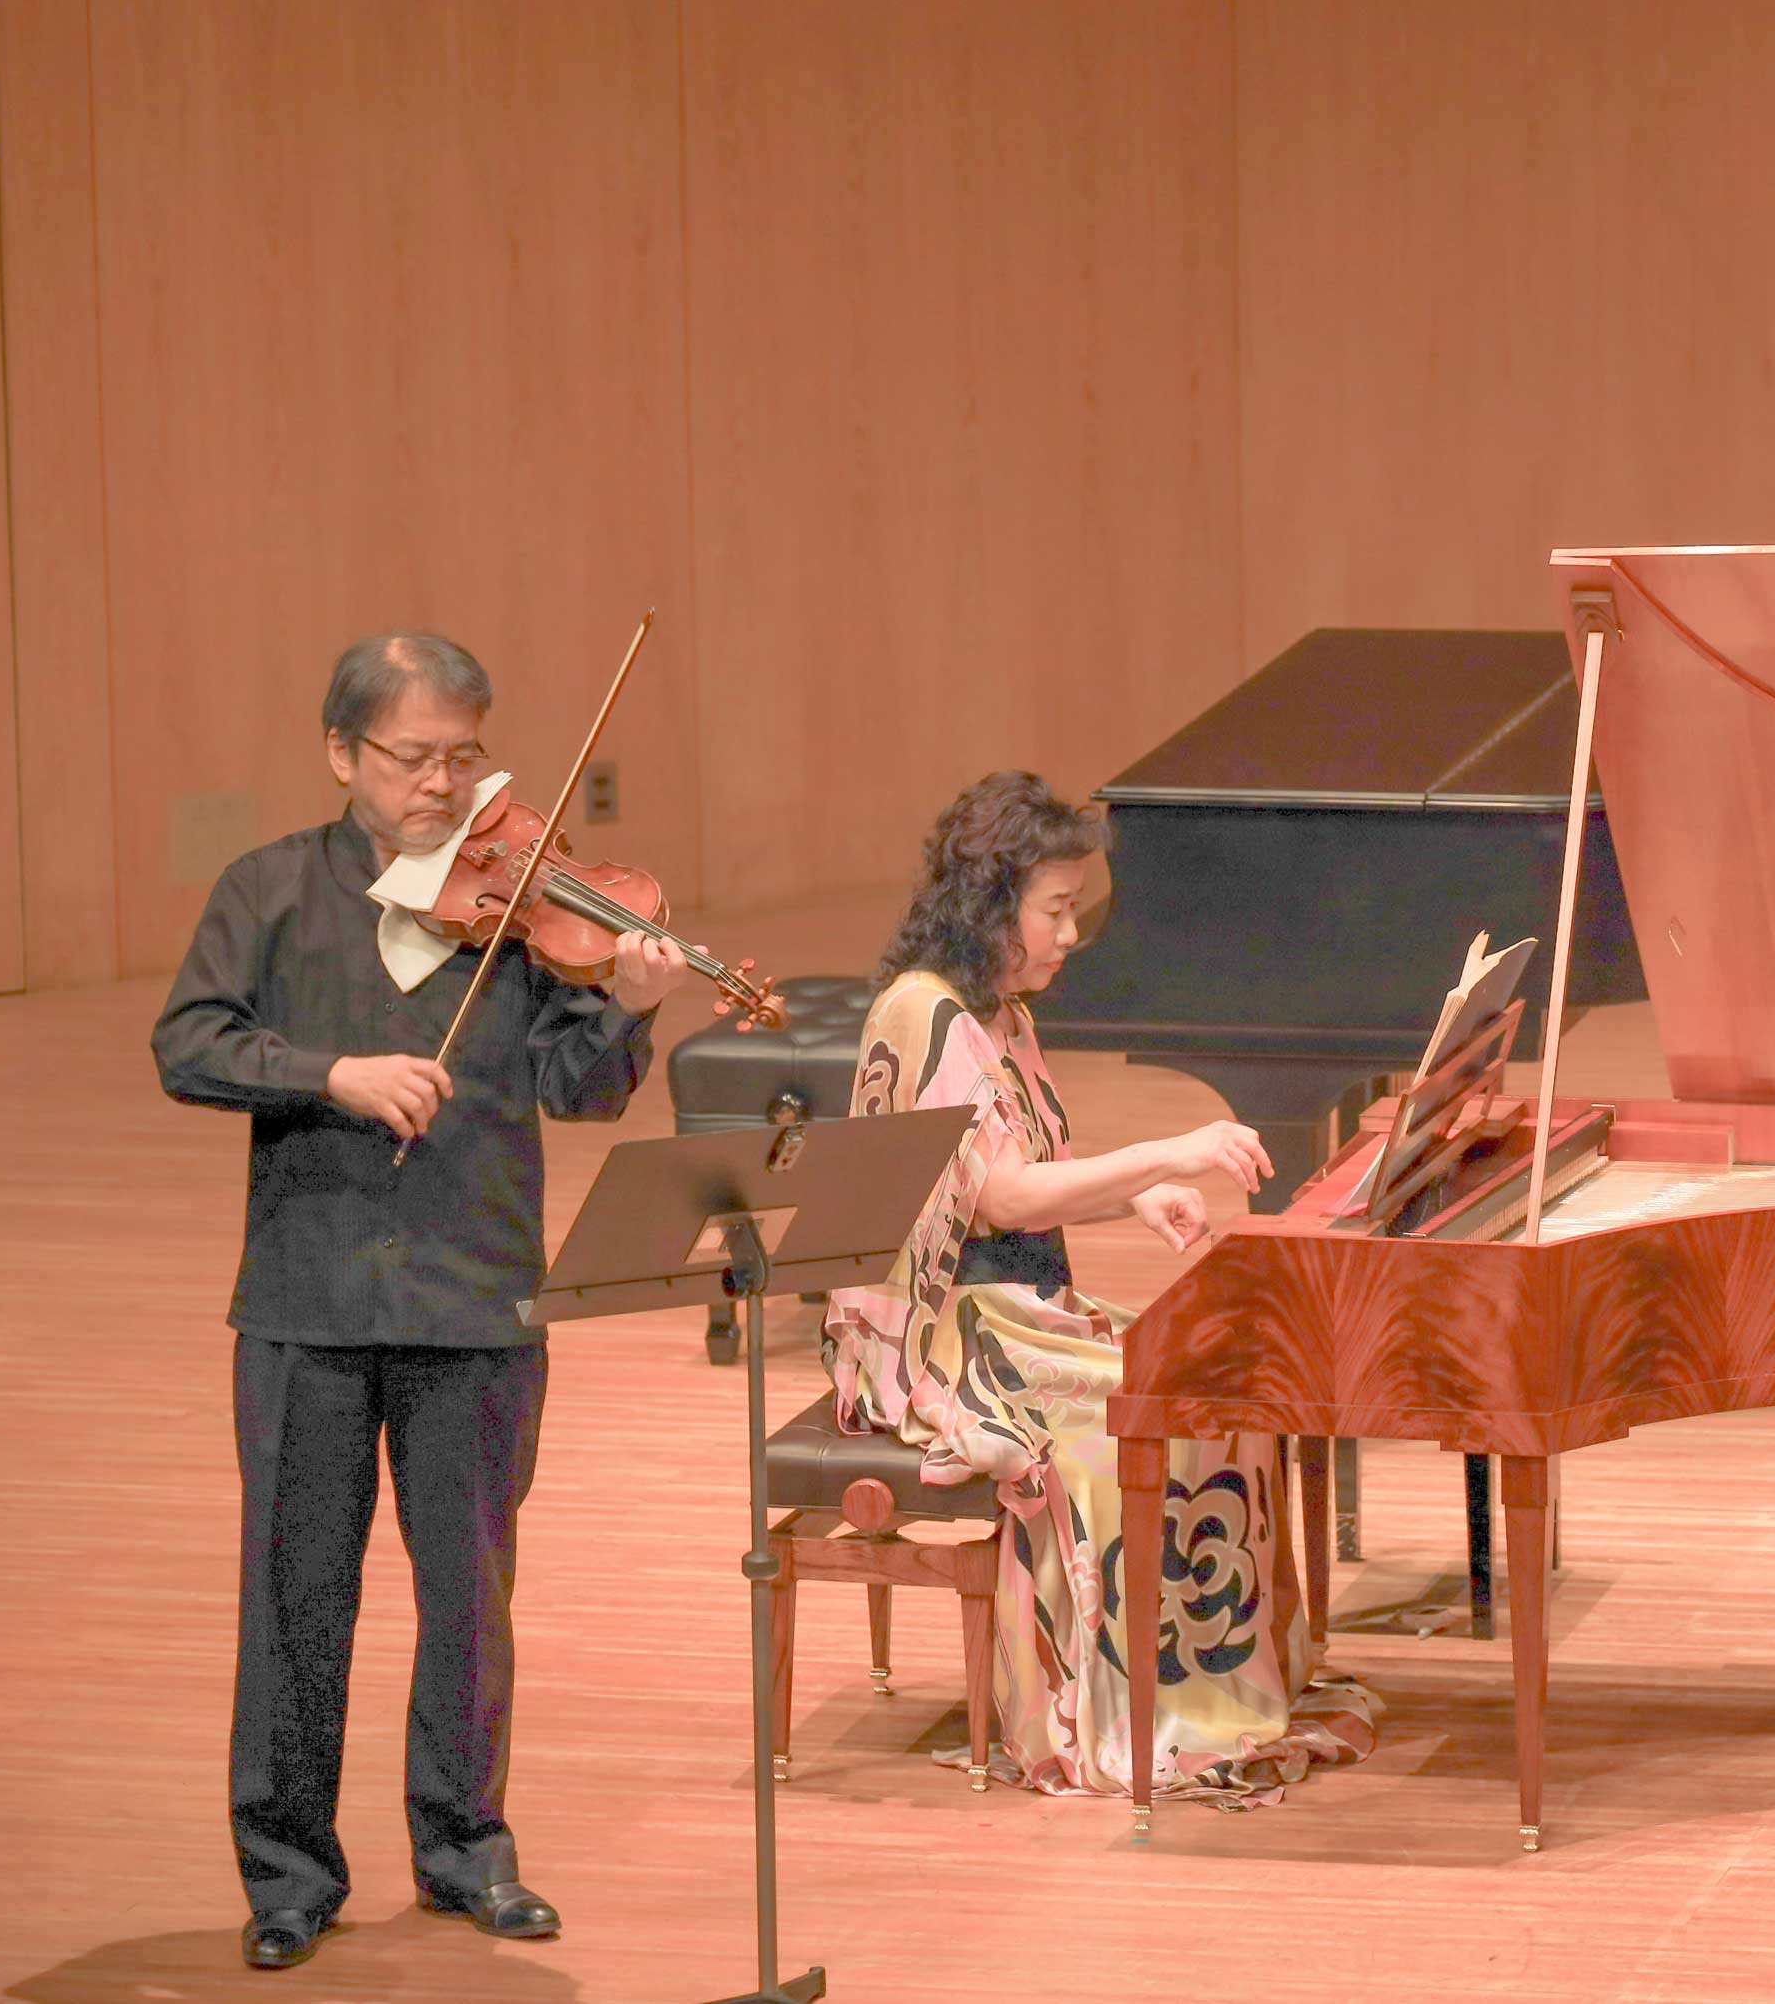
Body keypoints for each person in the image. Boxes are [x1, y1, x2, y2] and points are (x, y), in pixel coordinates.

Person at [152, 632, 688, 1972]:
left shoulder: (521, 908)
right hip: (307, 1306)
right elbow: (189, 1040)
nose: (443, 786)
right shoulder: (270, 889)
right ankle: (288, 1871)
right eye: (411, 758)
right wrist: (329, 1073)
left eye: (463, 756)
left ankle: (466, 1847)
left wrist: (628, 1007)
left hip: (476, 1300)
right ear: (343, 754)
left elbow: (578, 1089)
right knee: (296, 1600)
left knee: (468, 1598)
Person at [825, 770, 1380, 1803]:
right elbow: (999, 1197)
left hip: (1011, 1309)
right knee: (1138, 1417)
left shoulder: (1000, 1011)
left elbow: (1034, 1178)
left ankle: (1214, 1678)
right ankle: (1128, 1713)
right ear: (990, 903)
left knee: (1217, 1379)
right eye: (1055, 909)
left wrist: (1136, 1195)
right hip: (939, 1333)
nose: (1070, 933)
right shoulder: (925, 1014)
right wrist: (1168, 1151)